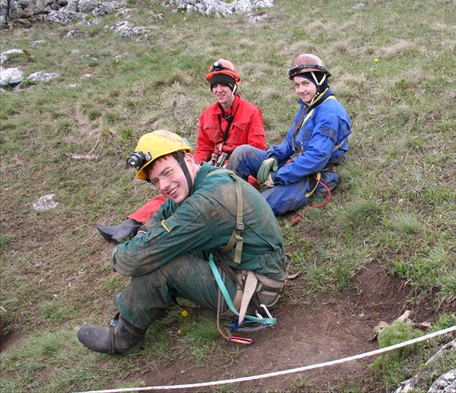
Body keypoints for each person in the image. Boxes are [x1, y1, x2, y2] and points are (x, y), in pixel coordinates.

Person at [78, 130, 287, 355]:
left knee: (162, 260)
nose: (164, 185)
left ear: (188, 160)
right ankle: (139, 306)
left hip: (256, 292)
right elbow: (163, 213)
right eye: (156, 181)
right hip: (245, 269)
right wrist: (144, 238)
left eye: (167, 173)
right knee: (155, 248)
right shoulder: (205, 177)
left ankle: (125, 337)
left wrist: (119, 255)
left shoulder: (206, 203)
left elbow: (137, 258)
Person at [96, 59, 267, 243]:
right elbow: (203, 147)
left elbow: (254, 151)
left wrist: (248, 186)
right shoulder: (207, 114)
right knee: (174, 188)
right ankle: (131, 225)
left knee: (194, 200)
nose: (218, 90)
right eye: (214, 85)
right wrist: (193, 168)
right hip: (211, 167)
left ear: (233, 86)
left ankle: (153, 233)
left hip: (235, 173)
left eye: (223, 85)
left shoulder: (251, 112)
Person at [226, 54, 351, 216]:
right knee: (242, 153)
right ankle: (226, 198)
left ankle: (233, 213)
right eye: (297, 85)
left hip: (312, 174)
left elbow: (317, 158)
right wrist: (274, 157)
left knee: (257, 207)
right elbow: (291, 140)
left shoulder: (330, 113)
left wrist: (278, 177)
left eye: (305, 83)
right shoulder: (309, 104)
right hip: (295, 164)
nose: (300, 90)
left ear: (319, 81)